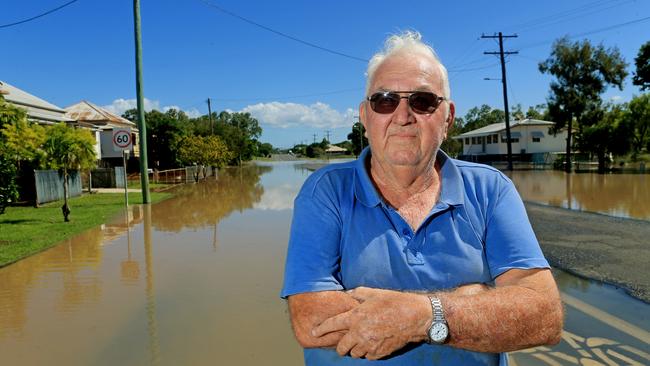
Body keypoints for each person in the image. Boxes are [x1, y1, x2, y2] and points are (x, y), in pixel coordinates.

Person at [281, 31, 563, 365]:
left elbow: (543, 316)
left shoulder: (491, 190)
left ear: (448, 117)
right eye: (385, 100)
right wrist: (473, 299)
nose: (403, 116)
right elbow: (312, 322)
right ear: (365, 116)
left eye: (423, 101)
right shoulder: (324, 192)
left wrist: (421, 315)